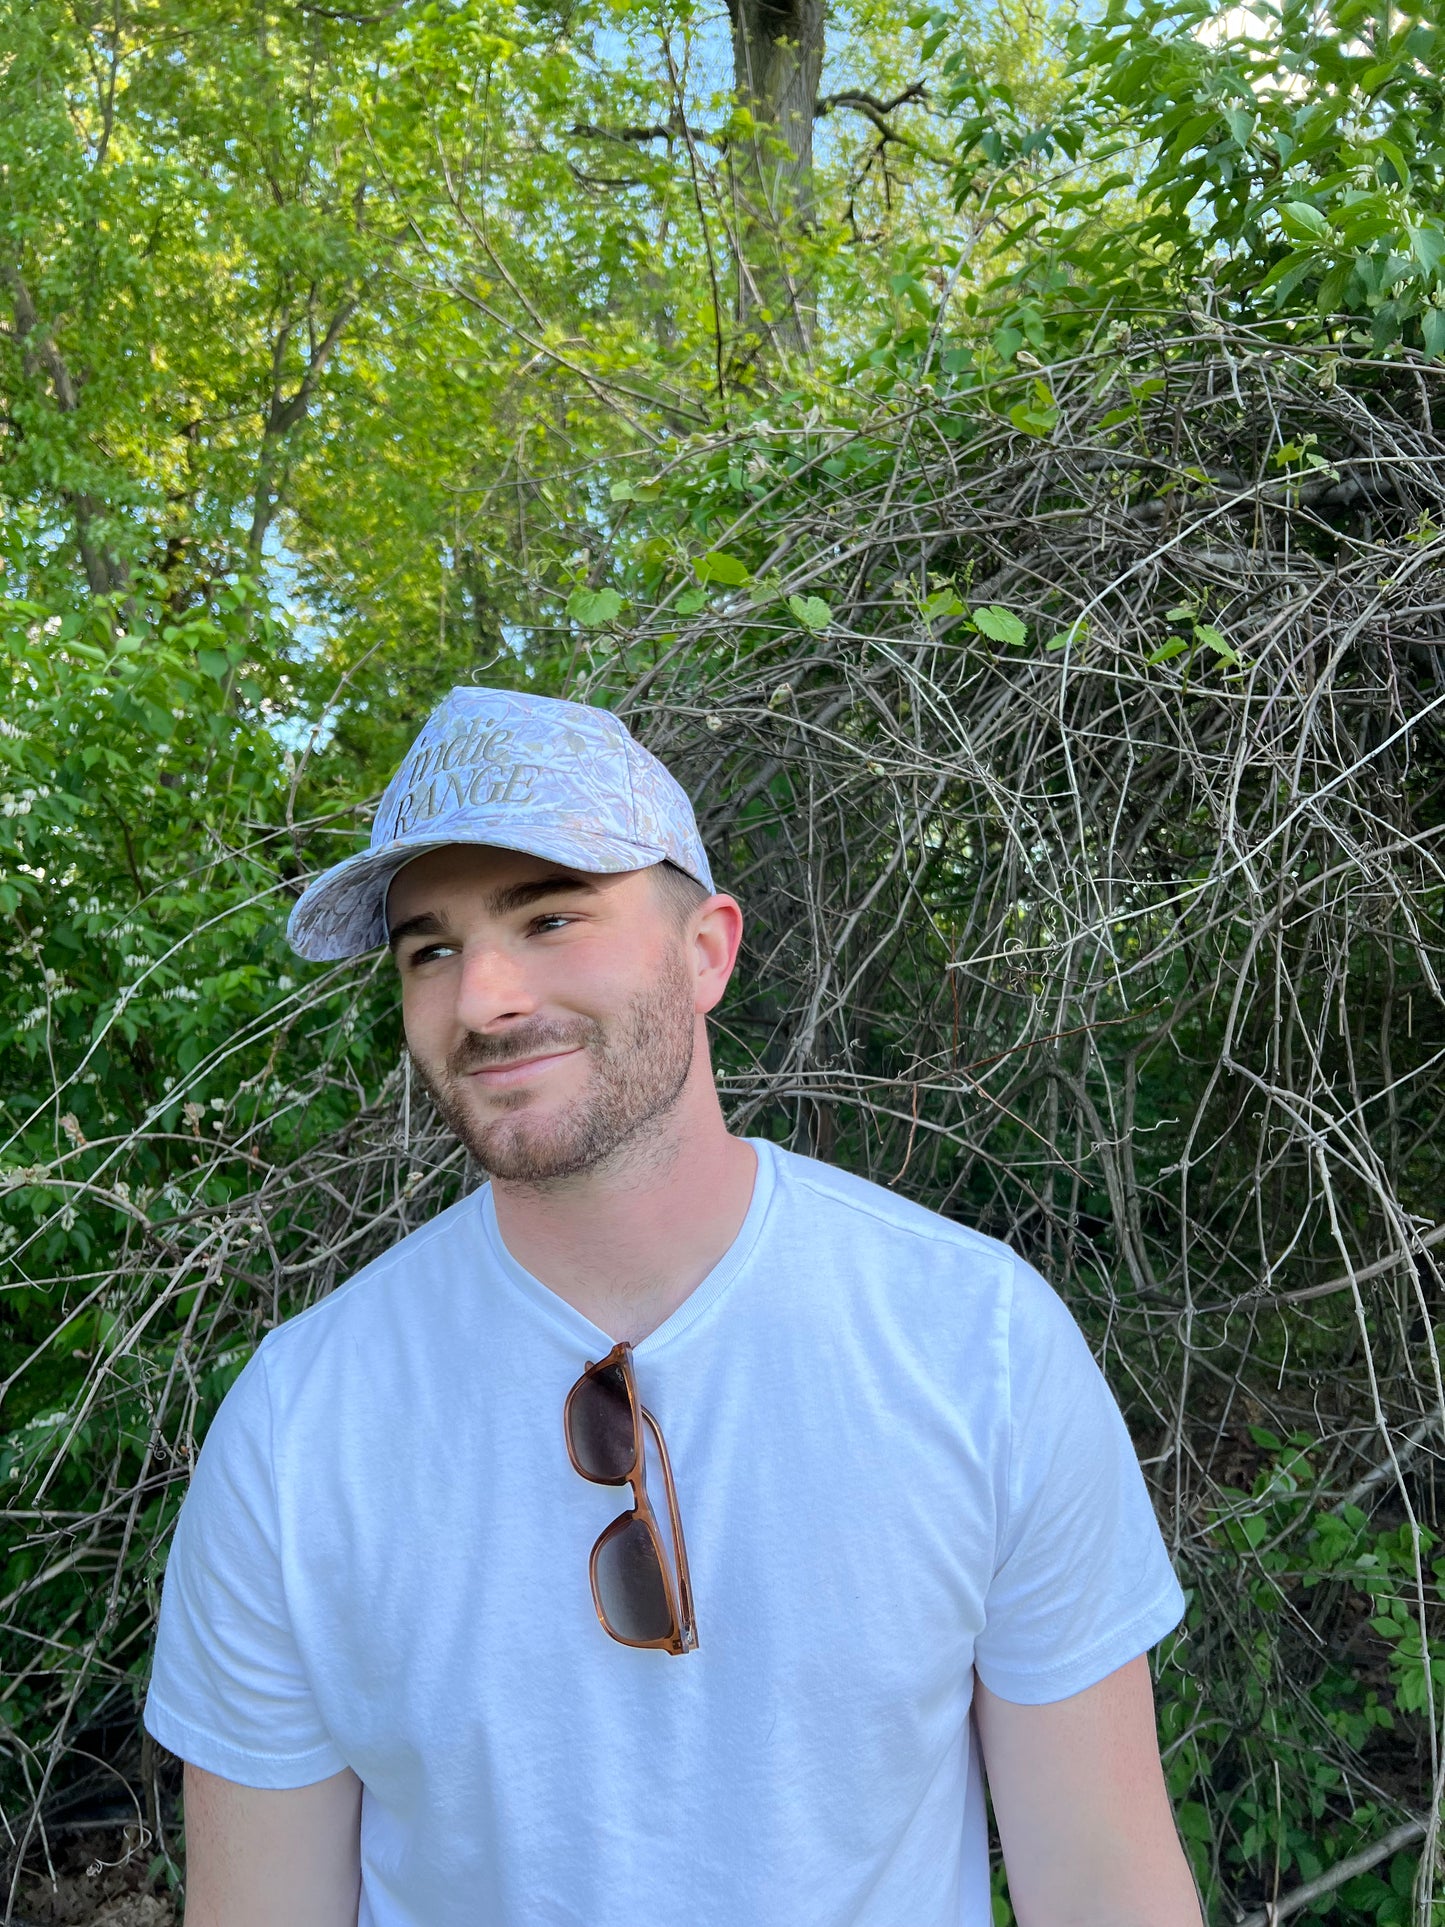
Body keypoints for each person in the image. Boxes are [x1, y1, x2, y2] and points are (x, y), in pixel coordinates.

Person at [144, 685, 1204, 1927]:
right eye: (429, 947)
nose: (482, 996)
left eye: (549, 916)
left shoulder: (975, 1344)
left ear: (705, 950)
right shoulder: (298, 1423)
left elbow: (1102, 1882)